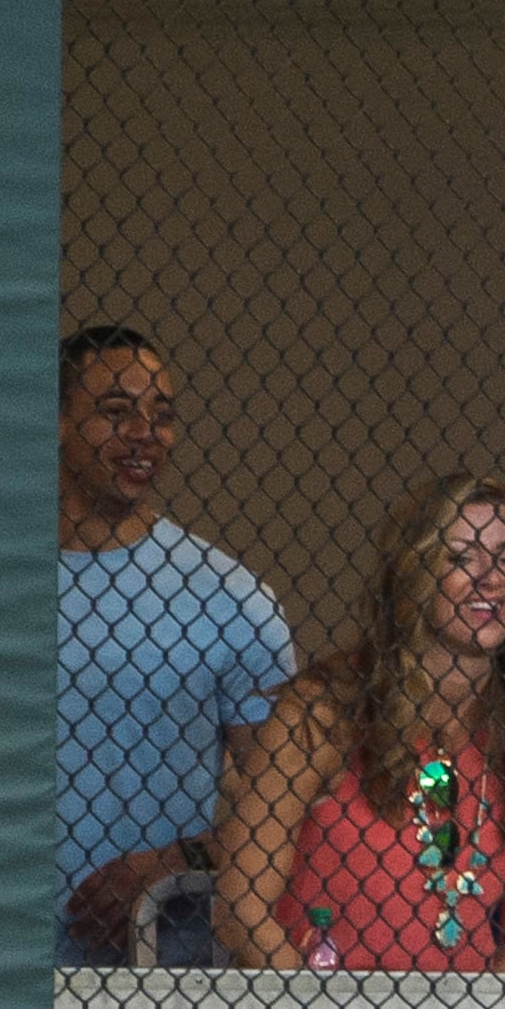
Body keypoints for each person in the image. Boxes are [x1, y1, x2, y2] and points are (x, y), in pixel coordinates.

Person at [216, 475, 505, 972]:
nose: (492, 579)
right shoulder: (324, 712)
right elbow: (239, 906)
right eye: (462, 557)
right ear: (415, 572)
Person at [52, 327, 295, 963]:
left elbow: (291, 808)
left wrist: (168, 862)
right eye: (115, 412)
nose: (144, 432)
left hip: (161, 966)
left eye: (162, 415)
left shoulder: (229, 598)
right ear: (52, 422)